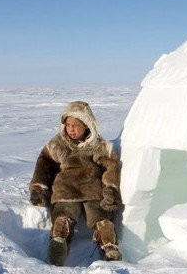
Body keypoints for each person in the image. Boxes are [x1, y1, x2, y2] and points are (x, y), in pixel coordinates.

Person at [29, 101, 122, 266]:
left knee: (101, 217)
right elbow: (44, 164)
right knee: (63, 215)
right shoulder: (58, 144)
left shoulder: (97, 145)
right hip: (66, 189)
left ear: (87, 126)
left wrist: (110, 188)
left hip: (92, 188)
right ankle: (59, 241)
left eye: (76, 125)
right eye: (68, 124)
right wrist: (39, 187)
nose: (71, 129)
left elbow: (111, 165)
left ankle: (109, 246)